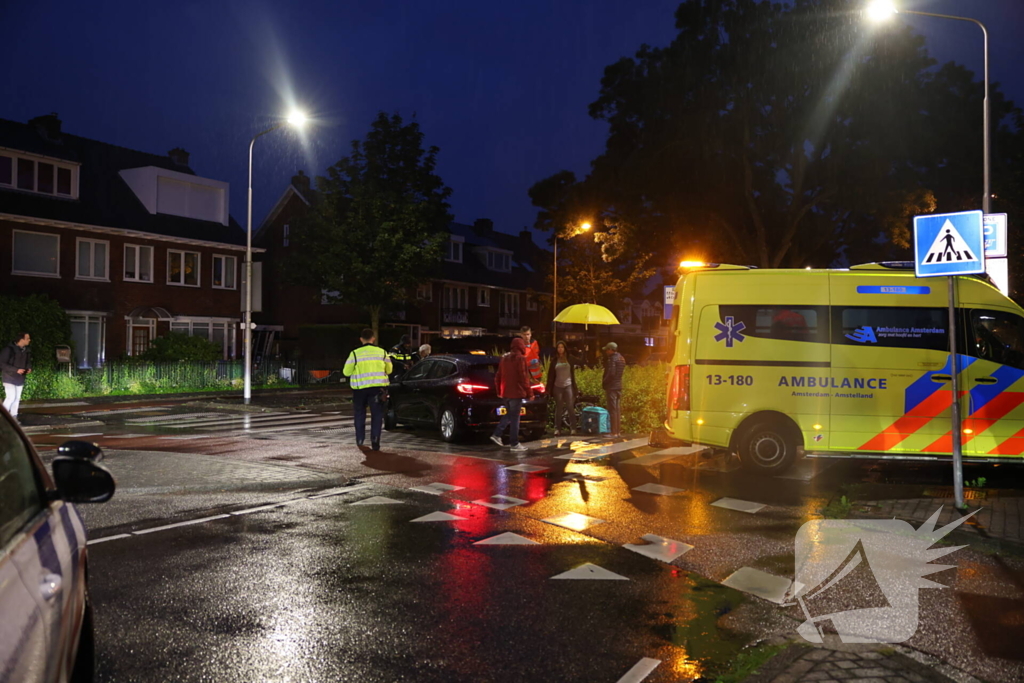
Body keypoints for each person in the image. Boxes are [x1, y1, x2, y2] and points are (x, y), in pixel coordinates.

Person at [343, 328, 392, 451]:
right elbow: (389, 370)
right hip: (377, 389)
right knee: (377, 415)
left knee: (359, 414)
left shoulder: (354, 353)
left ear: (361, 339)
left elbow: (346, 372)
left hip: (360, 389)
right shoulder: (382, 352)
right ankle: (375, 440)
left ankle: (360, 439)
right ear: (373, 338)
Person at [490, 337, 534, 454]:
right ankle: (514, 443)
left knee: (510, 415)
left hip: (505, 393)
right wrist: (529, 393)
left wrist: (499, 391)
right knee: (515, 418)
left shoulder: (504, 358)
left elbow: (498, 376)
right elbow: (524, 378)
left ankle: (497, 434)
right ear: (521, 346)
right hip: (516, 393)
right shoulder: (520, 359)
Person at [547, 340, 580, 436]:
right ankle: (557, 429)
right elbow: (550, 375)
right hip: (558, 386)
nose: (560, 349)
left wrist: (582, 352)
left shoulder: (570, 358)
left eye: (562, 347)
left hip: (568, 385)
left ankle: (573, 428)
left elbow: (581, 361)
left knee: (570, 407)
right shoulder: (554, 360)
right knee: (559, 408)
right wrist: (548, 388)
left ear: (565, 348)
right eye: (558, 347)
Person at [1, 332, 32, 421]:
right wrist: (16, 370)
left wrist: (28, 368)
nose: (29, 340)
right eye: (27, 338)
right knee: (11, 397)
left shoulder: (26, 350)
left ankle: (13, 415)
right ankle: (4, 416)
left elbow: (28, 361)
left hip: (20, 377)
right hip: (9, 377)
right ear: (21, 339)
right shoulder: (9, 349)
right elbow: (2, 363)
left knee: (17, 398)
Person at [602, 341, 625, 438]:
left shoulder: (612, 359)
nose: (606, 352)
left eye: (607, 350)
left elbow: (611, 373)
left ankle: (613, 432)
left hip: (611, 387)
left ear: (611, 350)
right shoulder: (621, 358)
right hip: (618, 386)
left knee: (612, 410)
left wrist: (604, 382)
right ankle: (618, 431)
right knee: (617, 410)